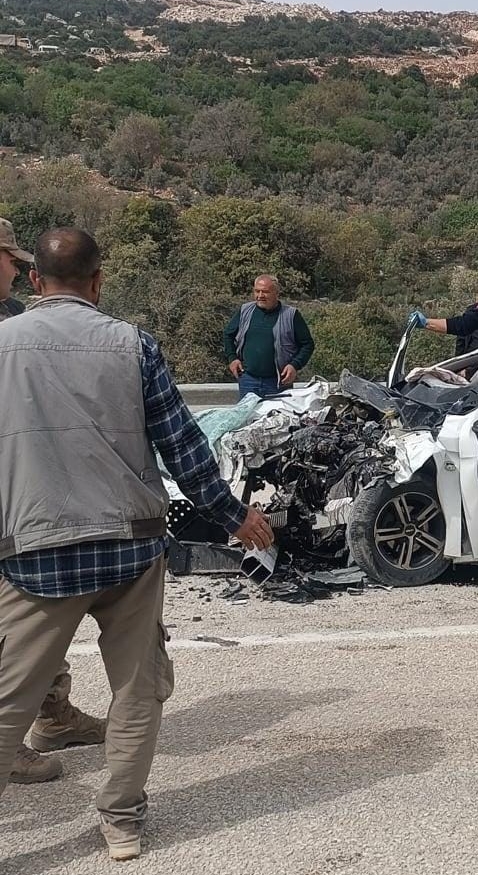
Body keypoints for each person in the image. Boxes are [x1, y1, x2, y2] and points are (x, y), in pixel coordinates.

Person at [0, 228, 275, 861]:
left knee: (10, 698)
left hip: (34, 549)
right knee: (137, 689)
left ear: (35, 282)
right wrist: (234, 516)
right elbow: (183, 446)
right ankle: (121, 820)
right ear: (97, 283)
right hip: (129, 547)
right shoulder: (133, 344)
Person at [1, 217, 108, 787]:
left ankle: (52, 714)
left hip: (29, 501)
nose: (18, 269)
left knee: (38, 623)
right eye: (9, 258)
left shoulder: (14, 321)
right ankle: (10, 740)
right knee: (14, 632)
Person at [223, 274, 315, 400]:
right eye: (257, 291)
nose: (260, 296)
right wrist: (232, 358)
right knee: (250, 419)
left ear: (277, 293)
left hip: (278, 382)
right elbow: (228, 335)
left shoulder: (291, 315)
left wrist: (295, 365)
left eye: (265, 292)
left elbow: (307, 344)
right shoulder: (245, 310)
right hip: (248, 381)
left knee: (278, 419)